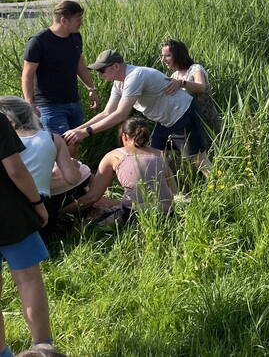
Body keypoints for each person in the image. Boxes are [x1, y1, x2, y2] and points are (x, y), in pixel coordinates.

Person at [65, 51, 210, 173]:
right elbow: (107, 112)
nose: (99, 74)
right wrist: (78, 130)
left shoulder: (135, 76)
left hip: (182, 114)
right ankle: (172, 195)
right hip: (165, 121)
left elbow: (121, 114)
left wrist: (86, 132)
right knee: (155, 158)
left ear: (116, 66)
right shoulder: (119, 83)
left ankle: (221, 188)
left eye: (101, 70)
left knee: (198, 160)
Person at [0, 112, 59, 357]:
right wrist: (37, 202)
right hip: (8, 212)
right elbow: (16, 170)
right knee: (28, 279)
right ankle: (42, 348)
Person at [21, 0, 100, 144]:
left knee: (75, 143)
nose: (81, 23)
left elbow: (79, 64)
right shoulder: (38, 42)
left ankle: (75, 167)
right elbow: (27, 75)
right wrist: (29, 104)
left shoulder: (75, 37)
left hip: (73, 102)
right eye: (78, 20)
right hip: (49, 105)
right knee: (62, 145)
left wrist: (91, 88)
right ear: (63, 20)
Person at [0, 98, 81, 233]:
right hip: (42, 203)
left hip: (10, 202)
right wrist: (75, 167)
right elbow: (72, 178)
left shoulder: (5, 140)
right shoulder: (54, 138)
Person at [77, 119, 176, 224]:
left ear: (124, 136)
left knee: (92, 222)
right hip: (168, 213)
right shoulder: (159, 153)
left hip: (133, 214)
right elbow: (174, 190)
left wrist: (62, 210)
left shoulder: (113, 155)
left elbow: (93, 197)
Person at [159, 39, 221, 137]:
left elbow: (201, 87)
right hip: (189, 125)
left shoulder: (195, 68)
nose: (163, 60)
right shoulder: (174, 76)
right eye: (162, 56)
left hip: (206, 121)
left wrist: (181, 83)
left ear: (178, 55)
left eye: (167, 55)